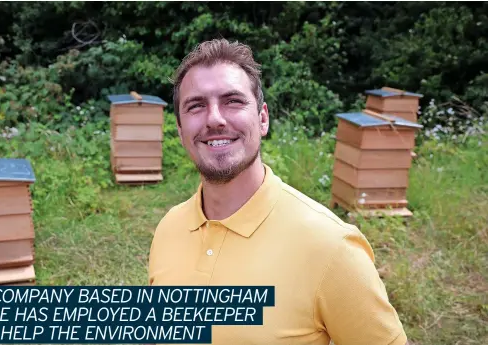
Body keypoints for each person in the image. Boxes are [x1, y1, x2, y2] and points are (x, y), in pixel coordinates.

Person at [148, 38, 409, 345]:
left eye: (233, 101)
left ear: (262, 119)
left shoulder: (331, 247)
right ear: (180, 131)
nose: (215, 118)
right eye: (196, 105)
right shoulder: (168, 229)